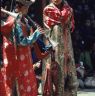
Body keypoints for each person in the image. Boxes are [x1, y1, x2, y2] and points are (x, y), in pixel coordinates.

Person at [0, 0, 43, 96]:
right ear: (22, 7)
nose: (27, 10)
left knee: (20, 80)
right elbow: (22, 42)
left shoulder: (21, 19)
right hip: (18, 57)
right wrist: (36, 34)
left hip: (21, 55)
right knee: (19, 81)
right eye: (26, 7)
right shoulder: (15, 20)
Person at [43, 0, 78, 96]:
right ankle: (56, 92)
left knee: (69, 66)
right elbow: (46, 30)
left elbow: (71, 25)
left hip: (67, 44)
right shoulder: (48, 10)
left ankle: (69, 92)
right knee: (56, 67)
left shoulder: (69, 9)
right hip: (55, 44)